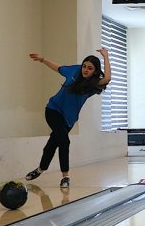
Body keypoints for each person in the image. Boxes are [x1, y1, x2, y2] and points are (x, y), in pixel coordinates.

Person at [25, 48, 111, 188]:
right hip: (53, 110)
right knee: (64, 141)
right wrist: (42, 59)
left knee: (53, 143)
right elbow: (58, 68)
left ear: (95, 71)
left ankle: (40, 169)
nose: (85, 70)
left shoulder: (94, 84)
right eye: (84, 66)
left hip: (69, 119)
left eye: (90, 68)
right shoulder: (74, 71)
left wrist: (106, 56)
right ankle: (65, 177)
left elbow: (107, 78)